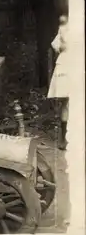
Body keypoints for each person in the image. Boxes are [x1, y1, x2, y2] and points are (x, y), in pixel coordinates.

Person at [48, 15, 70, 150]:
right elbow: (56, 45)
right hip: (67, 65)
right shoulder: (65, 28)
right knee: (67, 101)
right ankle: (64, 138)